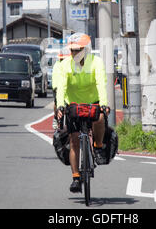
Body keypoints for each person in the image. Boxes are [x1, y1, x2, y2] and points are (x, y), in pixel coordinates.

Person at [56, 33, 110, 193]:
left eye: (77, 50)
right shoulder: (65, 65)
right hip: (73, 104)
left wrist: (104, 104)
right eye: (72, 50)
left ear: (86, 50)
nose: (74, 53)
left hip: (93, 102)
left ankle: (98, 147)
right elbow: (61, 88)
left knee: (100, 117)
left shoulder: (96, 63)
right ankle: (75, 177)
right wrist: (60, 106)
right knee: (73, 141)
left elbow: (101, 83)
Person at [52, 48, 70, 129]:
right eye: (62, 58)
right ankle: (55, 118)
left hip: (68, 88)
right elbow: (55, 77)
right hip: (58, 87)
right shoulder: (57, 65)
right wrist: (56, 87)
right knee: (57, 103)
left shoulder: (71, 65)